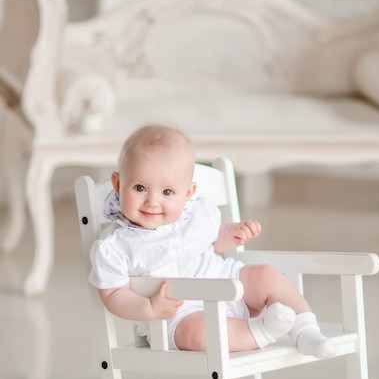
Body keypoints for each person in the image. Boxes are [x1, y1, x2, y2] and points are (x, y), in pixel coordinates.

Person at [89, 124, 336, 358]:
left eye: (167, 192)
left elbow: (212, 238)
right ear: (118, 184)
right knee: (196, 333)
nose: (152, 201)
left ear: (187, 194)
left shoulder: (195, 214)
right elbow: (112, 294)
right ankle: (262, 331)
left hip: (228, 284)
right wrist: (150, 308)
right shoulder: (116, 246)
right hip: (180, 315)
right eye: (140, 188)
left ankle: (306, 331)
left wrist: (232, 234)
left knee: (266, 275)